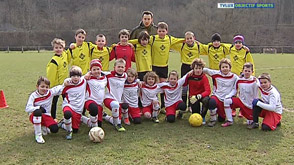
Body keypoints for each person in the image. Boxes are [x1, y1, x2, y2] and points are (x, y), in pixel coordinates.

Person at [150, 22, 184, 110]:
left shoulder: (169, 39)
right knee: (155, 86)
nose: (161, 33)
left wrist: (191, 40)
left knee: (163, 86)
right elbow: (141, 40)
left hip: (164, 66)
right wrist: (129, 42)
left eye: (163, 31)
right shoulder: (152, 38)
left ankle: (163, 105)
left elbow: (180, 40)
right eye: (160, 31)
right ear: (157, 31)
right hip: (154, 66)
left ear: (167, 31)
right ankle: (155, 105)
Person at [25, 76, 63, 144]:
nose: (44, 89)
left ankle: (43, 127)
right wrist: (38, 108)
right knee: (38, 112)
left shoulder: (50, 92)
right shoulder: (33, 95)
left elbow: (61, 87)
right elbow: (27, 109)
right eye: (42, 86)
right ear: (37, 86)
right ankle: (38, 135)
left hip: (46, 116)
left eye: (46, 87)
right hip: (34, 115)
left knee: (54, 129)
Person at [203, 58, 238, 127]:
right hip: (217, 96)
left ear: (230, 68)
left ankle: (222, 114)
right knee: (211, 102)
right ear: (220, 68)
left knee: (221, 119)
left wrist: (229, 95)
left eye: (226, 67)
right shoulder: (216, 74)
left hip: (226, 99)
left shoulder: (234, 77)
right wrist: (193, 70)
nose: (225, 69)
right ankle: (213, 119)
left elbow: (236, 88)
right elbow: (206, 70)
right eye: (223, 67)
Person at [222, 62, 259, 127]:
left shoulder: (254, 81)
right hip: (240, 101)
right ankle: (229, 121)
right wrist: (228, 96)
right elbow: (234, 89)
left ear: (252, 72)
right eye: (245, 71)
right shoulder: (239, 80)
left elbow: (258, 91)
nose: (247, 72)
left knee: (250, 122)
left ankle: (249, 116)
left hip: (250, 105)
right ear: (242, 71)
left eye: (249, 71)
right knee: (227, 100)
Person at [172, 31, 202, 109]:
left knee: (192, 87)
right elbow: (171, 43)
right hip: (184, 67)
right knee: (184, 87)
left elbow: (208, 49)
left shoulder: (198, 46)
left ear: (194, 38)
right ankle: (184, 104)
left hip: (194, 67)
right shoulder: (182, 46)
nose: (189, 40)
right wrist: (181, 40)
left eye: (190, 38)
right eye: (187, 39)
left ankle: (190, 105)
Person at [59, 66, 87, 140]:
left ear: (80, 77)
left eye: (77, 76)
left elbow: (91, 73)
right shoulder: (67, 84)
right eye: (73, 76)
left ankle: (63, 124)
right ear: (70, 76)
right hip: (69, 105)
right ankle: (68, 131)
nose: (75, 78)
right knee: (67, 114)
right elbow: (59, 90)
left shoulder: (83, 81)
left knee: (76, 130)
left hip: (78, 109)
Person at [46, 38, 69, 120]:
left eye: (60, 47)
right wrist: (50, 87)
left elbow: (68, 51)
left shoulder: (64, 55)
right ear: (53, 49)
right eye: (56, 48)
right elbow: (51, 75)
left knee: (67, 101)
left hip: (65, 84)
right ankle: (53, 118)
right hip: (56, 86)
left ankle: (67, 117)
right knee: (54, 102)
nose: (58, 49)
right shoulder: (53, 61)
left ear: (63, 48)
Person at [103, 58, 128, 131]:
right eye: (118, 67)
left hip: (119, 100)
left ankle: (105, 116)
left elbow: (133, 78)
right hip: (109, 98)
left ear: (125, 68)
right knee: (115, 105)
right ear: (114, 68)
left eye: (122, 67)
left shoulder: (125, 76)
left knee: (117, 119)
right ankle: (118, 125)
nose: (120, 68)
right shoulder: (109, 75)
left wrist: (138, 81)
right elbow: (97, 72)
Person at [81, 59, 107, 128]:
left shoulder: (104, 78)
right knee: (93, 109)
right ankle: (94, 127)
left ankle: (82, 118)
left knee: (99, 124)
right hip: (89, 100)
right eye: (94, 70)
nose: (96, 71)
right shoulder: (88, 78)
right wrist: (87, 74)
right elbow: (78, 80)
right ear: (91, 71)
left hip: (99, 104)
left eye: (98, 69)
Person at [185, 58, 211, 124]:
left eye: (200, 68)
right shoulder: (189, 76)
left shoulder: (204, 77)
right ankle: (196, 115)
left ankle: (203, 116)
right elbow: (183, 84)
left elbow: (208, 91)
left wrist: (200, 95)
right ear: (193, 69)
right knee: (196, 113)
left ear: (202, 69)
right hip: (193, 97)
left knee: (207, 100)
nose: (198, 70)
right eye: (196, 68)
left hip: (201, 95)